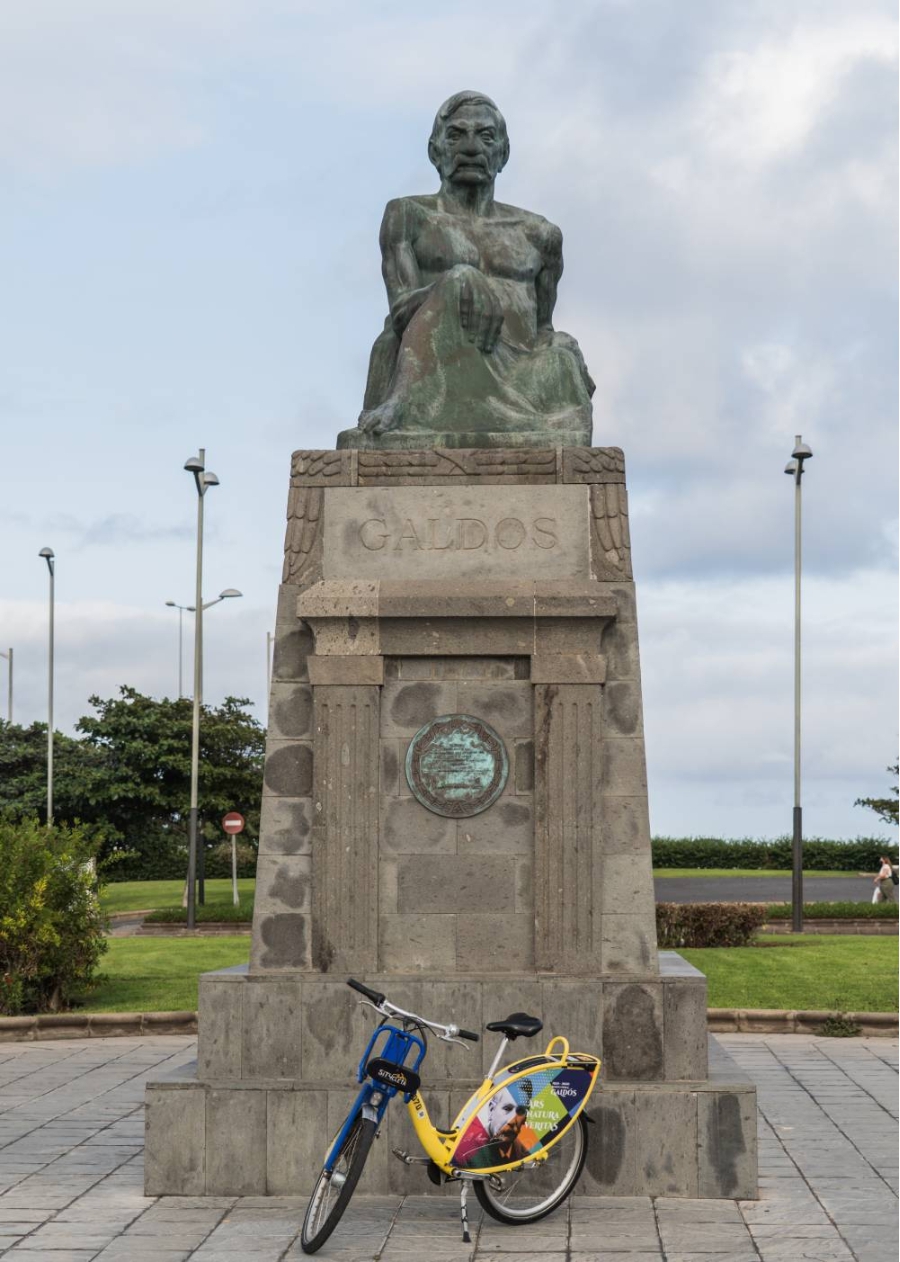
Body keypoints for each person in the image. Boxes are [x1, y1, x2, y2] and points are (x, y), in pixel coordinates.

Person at [338, 91, 594, 448]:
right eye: (457, 135)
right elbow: (400, 311)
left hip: (515, 372)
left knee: (561, 363)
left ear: (503, 154)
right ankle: (399, 407)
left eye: (485, 137)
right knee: (460, 278)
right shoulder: (409, 216)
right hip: (436, 368)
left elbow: (542, 329)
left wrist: (560, 342)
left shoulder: (539, 235)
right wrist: (456, 282)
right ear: (435, 151)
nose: (471, 147)